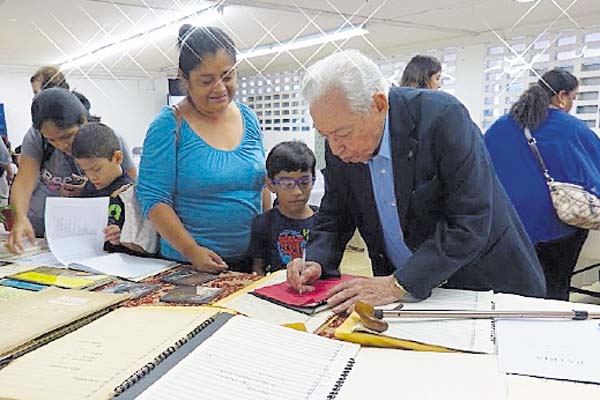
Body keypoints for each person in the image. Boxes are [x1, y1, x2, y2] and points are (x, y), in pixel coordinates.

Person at [287, 50, 546, 313]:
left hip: (483, 283)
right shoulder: (340, 143)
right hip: (404, 295)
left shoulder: (443, 118)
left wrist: (397, 284)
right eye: (324, 135)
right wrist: (316, 260)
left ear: (379, 104)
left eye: (342, 133)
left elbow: (469, 220)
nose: (335, 148)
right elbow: (335, 213)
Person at [136, 25, 269, 274]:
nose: (219, 88)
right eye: (206, 81)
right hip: (187, 265)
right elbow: (154, 199)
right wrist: (192, 251)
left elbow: (261, 187)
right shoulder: (169, 124)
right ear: (184, 79)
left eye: (228, 76)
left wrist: (268, 240)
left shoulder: (248, 117)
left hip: (250, 262)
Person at [484, 69, 600, 300]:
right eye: (573, 98)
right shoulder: (571, 128)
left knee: (512, 292)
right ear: (561, 96)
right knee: (555, 288)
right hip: (555, 228)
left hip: (505, 227)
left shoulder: (501, 126)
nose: (572, 104)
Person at [7, 88, 136, 252]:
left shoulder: (108, 140)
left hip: (95, 234)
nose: (61, 146)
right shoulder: (36, 137)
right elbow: (24, 181)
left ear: (83, 121)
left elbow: (131, 190)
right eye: (51, 140)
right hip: (43, 226)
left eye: (66, 137)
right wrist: (20, 217)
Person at [247, 141, 318, 275]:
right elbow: (258, 268)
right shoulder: (263, 223)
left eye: (304, 182)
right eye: (287, 184)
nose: (297, 191)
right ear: (271, 185)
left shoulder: (325, 221)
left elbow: (332, 266)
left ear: (313, 180)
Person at [71, 122, 142, 254]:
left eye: (96, 169)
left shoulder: (130, 193)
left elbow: (142, 244)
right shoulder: (89, 189)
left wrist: (121, 237)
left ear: (118, 157)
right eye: (85, 171)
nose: (91, 177)